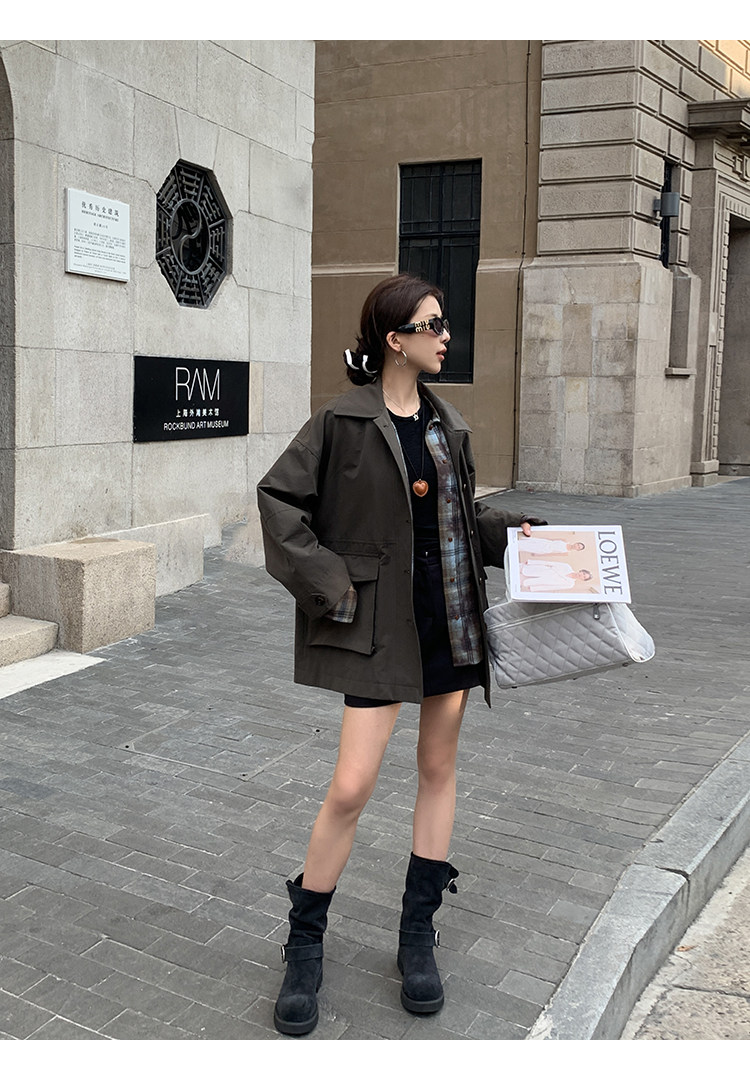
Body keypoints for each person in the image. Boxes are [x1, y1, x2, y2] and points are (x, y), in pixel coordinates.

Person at [256, 273, 545, 1036]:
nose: (445, 335)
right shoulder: (341, 421)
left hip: (450, 621)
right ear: (395, 339)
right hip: (379, 627)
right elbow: (279, 503)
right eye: (433, 324)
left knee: (438, 769)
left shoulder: (449, 425)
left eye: (443, 324)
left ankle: (417, 933)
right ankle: (305, 941)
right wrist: (332, 587)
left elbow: (457, 521)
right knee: (351, 786)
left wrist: (523, 538)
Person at [520, 561, 592, 591]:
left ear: (582, 580)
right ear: (581, 571)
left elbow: (552, 587)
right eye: (583, 573)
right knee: (521, 569)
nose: (581, 575)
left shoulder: (570, 584)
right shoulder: (567, 567)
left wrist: (534, 588)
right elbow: (550, 563)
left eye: (584, 577)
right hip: (540, 570)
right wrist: (531, 562)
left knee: (521, 581)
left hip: (541, 581)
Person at [516, 536, 585, 556]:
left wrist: (538, 555)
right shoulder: (564, 540)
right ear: (576, 543)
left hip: (545, 550)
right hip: (545, 542)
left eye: (578, 547)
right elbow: (552, 539)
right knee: (528, 542)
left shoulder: (566, 552)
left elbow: (553, 554)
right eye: (578, 545)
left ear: (577, 550)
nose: (577, 546)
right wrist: (542, 539)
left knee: (527, 548)